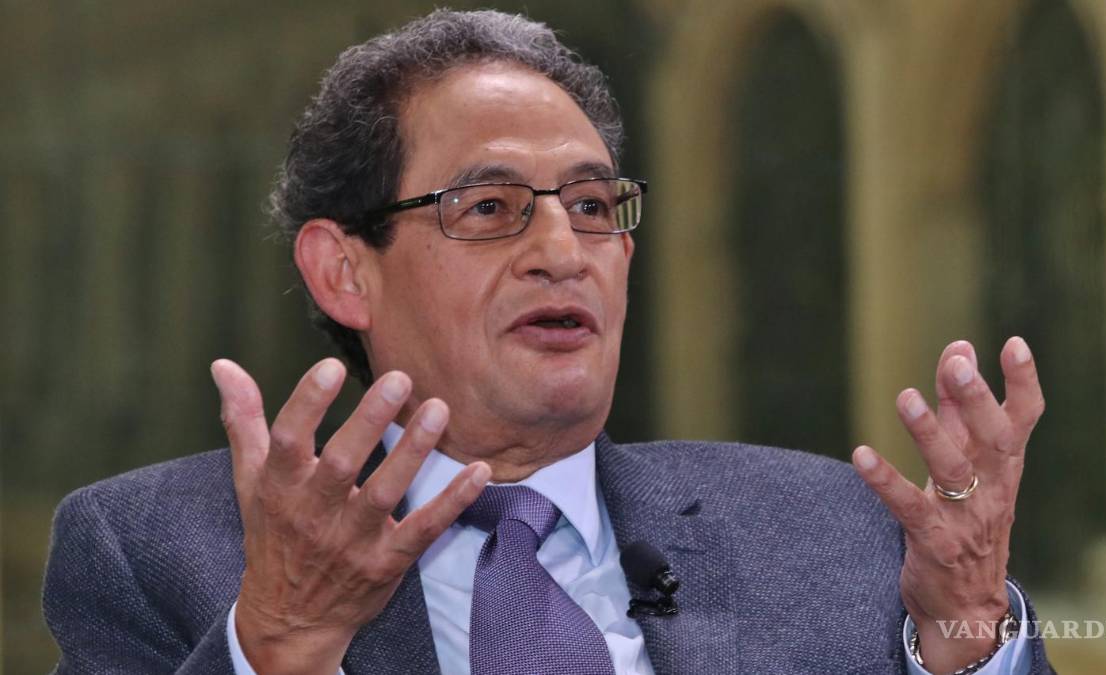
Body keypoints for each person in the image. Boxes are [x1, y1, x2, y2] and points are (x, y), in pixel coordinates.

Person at [43, 9, 1053, 675]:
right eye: (489, 207)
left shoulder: (832, 530)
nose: (563, 252)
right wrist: (283, 644)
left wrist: (968, 636)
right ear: (344, 270)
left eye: (593, 206)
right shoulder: (155, 551)